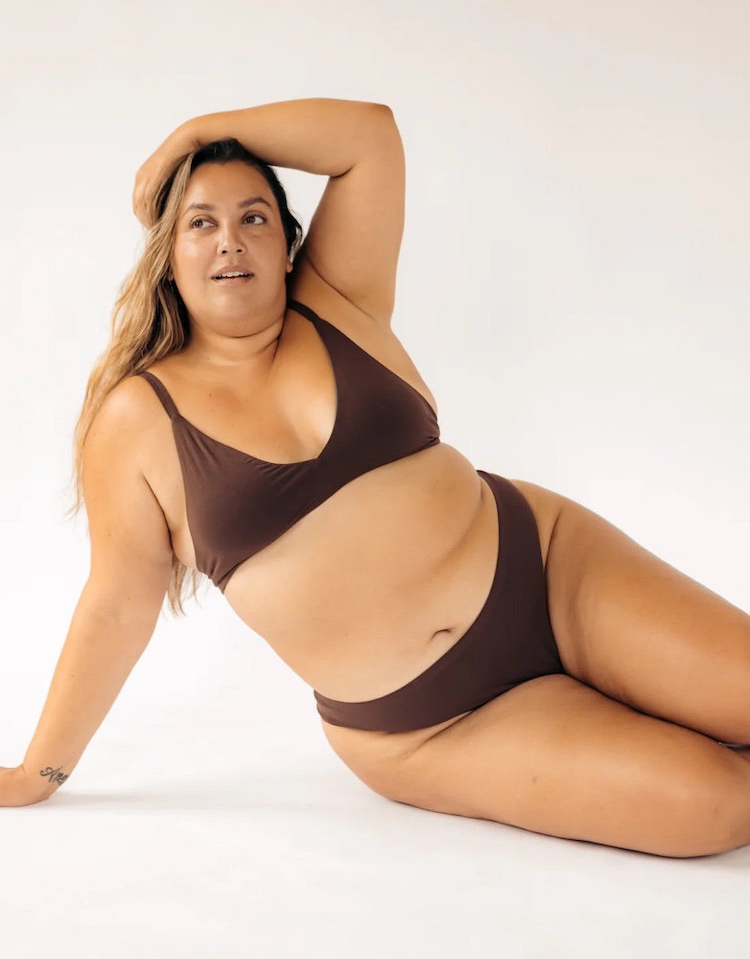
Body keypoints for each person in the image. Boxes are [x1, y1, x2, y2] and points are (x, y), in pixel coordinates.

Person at [2, 98, 748, 858]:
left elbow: (369, 136)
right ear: (167, 256)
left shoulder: (337, 298)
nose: (230, 239)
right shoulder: (136, 420)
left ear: (287, 247)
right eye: (201, 222)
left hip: (551, 572)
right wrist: (40, 771)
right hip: (431, 725)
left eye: (254, 217)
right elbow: (114, 609)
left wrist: (194, 135)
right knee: (718, 807)